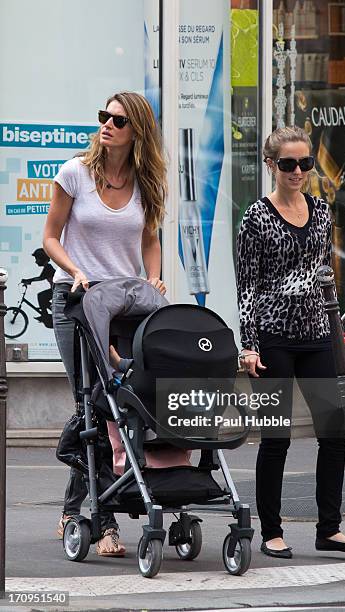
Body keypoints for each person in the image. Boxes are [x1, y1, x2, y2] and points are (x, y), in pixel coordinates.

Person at [236, 126, 345, 559]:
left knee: (333, 433)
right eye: (289, 164)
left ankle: (329, 529)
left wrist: (337, 333)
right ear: (271, 165)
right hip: (273, 338)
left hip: (317, 336)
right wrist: (249, 344)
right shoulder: (255, 217)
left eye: (305, 163)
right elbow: (247, 288)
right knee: (277, 438)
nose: (299, 171)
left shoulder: (320, 208)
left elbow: (325, 278)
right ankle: (272, 532)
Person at [43, 91, 167, 556]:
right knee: (94, 402)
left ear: (136, 130)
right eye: (103, 117)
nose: (107, 125)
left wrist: (153, 277)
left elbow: (149, 240)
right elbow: (50, 236)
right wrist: (75, 269)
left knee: (113, 403)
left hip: (126, 305)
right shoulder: (75, 172)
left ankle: (76, 509)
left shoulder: (147, 181)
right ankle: (104, 522)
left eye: (117, 119)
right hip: (76, 300)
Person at [22, 248, 55, 321]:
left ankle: (45, 315)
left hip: (57, 290)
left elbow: (41, 278)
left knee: (41, 296)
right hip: (55, 289)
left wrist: (29, 280)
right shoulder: (47, 267)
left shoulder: (48, 267)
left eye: (37, 259)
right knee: (43, 299)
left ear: (42, 259)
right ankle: (49, 313)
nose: (36, 262)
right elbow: (41, 277)